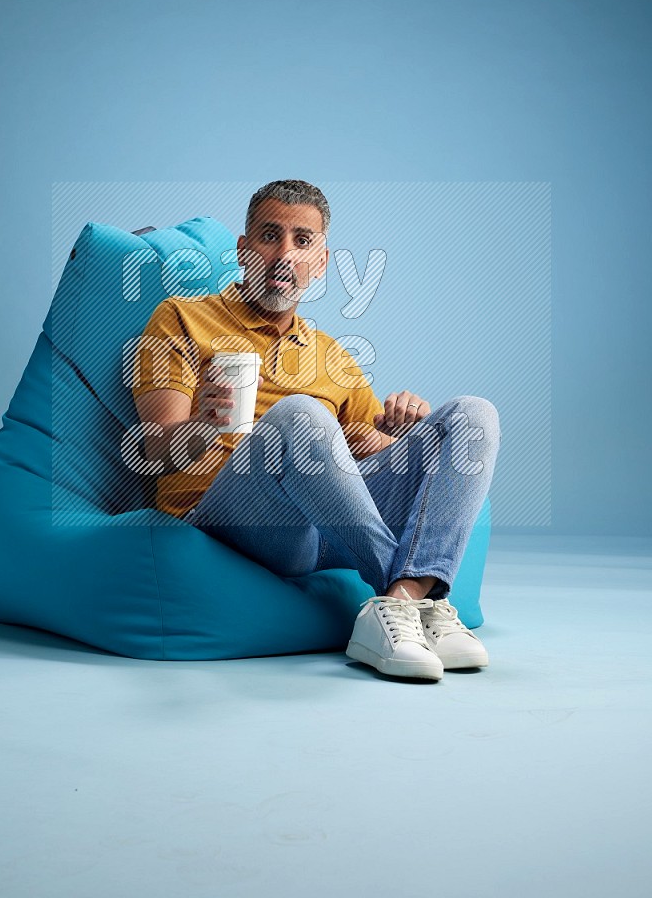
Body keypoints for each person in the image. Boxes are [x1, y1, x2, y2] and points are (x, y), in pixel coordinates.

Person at [132, 180, 501, 682]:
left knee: (472, 416)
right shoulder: (181, 317)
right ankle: (417, 597)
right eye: (269, 235)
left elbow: (373, 460)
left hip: (323, 531)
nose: (284, 254)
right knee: (301, 414)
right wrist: (200, 425)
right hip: (228, 518)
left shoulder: (333, 356)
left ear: (320, 263)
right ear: (244, 250)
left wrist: (397, 431)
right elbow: (153, 448)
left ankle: (404, 601)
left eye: (302, 241)